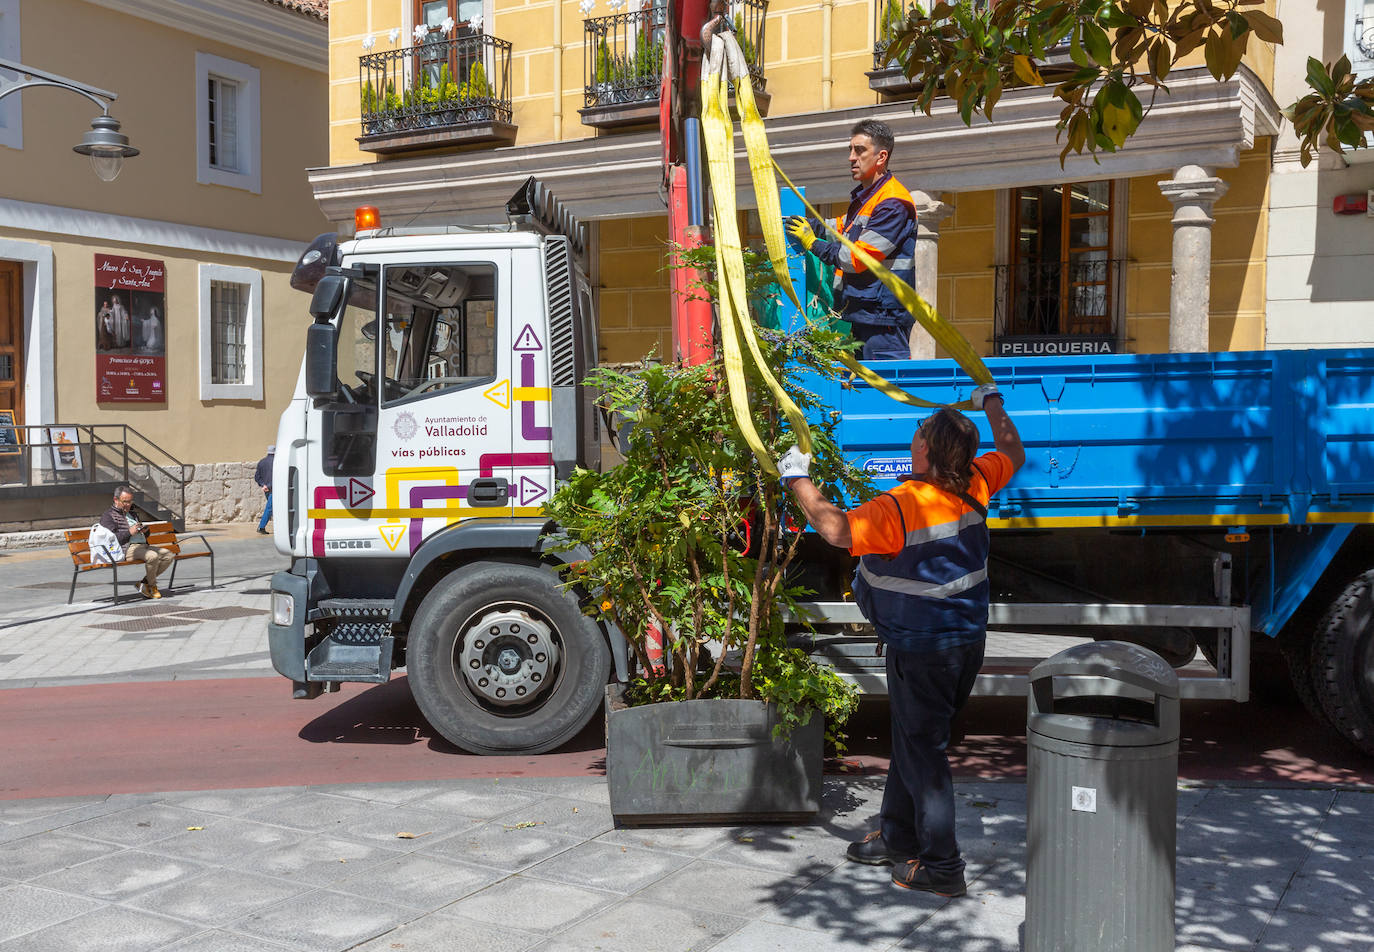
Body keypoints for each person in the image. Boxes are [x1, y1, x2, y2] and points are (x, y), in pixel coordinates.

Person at [777, 382, 1025, 897]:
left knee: (924, 752)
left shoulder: (902, 507)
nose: (911, 444)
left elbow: (837, 530)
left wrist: (797, 479)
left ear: (927, 452)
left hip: (922, 648)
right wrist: (993, 402)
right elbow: (1013, 451)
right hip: (964, 643)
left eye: (916, 438)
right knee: (916, 742)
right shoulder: (976, 481)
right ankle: (895, 835)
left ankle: (942, 867)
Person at [784, 118, 918, 360]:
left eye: (860, 150)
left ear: (881, 157)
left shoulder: (893, 203)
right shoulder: (870, 199)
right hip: (866, 313)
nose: (851, 157)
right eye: (850, 150)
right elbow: (839, 229)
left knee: (884, 391)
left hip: (883, 316)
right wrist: (806, 224)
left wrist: (812, 243)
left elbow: (856, 258)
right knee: (864, 390)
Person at [99, 486, 175, 599]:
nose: (128, 504)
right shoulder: (108, 516)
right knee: (152, 557)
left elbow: (143, 534)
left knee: (168, 555)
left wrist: (145, 531)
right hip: (127, 548)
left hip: (143, 546)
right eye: (125, 502)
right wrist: (130, 532)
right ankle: (152, 586)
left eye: (130, 501)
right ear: (116, 500)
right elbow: (112, 539)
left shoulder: (132, 513)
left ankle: (144, 583)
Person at [255, 445, 275, 534]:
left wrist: (263, 485)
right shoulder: (276, 462)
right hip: (274, 489)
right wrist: (269, 486)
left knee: (273, 508)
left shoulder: (261, 462)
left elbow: (257, 477)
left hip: (266, 490)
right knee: (270, 508)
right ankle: (261, 527)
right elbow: (276, 477)